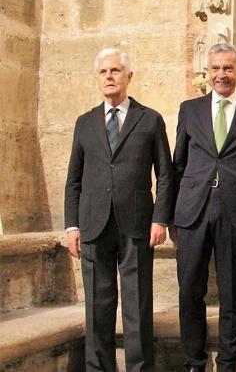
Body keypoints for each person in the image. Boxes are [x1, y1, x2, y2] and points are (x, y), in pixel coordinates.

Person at [64, 48, 172, 372]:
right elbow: (74, 179)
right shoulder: (84, 123)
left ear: (128, 77)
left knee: (137, 308)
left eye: (115, 71)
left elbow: (165, 174)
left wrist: (160, 218)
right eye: (103, 72)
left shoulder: (150, 119)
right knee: (98, 308)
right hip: (94, 225)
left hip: (137, 224)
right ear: (98, 79)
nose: (109, 77)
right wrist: (72, 226)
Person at [171, 43, 236, 372]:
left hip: (235, 211)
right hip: (192, 212)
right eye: (215, 68)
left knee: (231, 292)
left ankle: (228, 362)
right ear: (207, 72)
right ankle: (194, 362)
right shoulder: (190, 109)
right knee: (190, 292)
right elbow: (177, 165)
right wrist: (170, 216)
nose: (221, 74)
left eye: (228, 68)